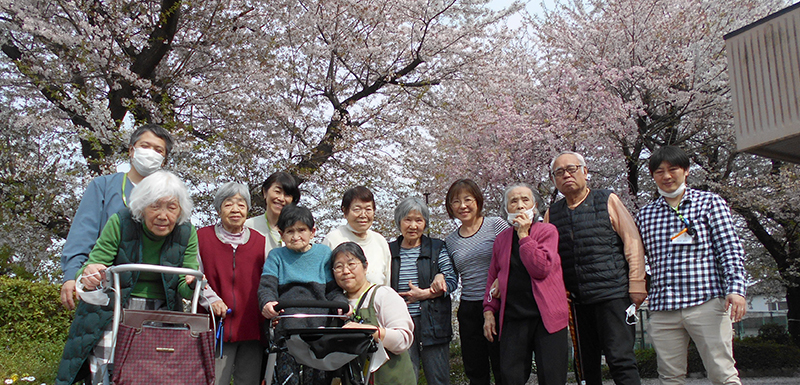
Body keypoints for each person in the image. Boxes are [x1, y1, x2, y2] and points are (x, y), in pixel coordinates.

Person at [56, 170, 199, 385]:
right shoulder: (120, 222)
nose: (163, 216)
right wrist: (90, 274)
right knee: (108, 369)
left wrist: (193, 283)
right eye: (155, 206)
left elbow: (185, 285)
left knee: (155, 372)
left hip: (163, 309)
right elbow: (94, 264)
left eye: (171, 208)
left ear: (180, 211)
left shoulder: (186, 232)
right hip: (115, 305)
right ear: (141, 207)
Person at [636, 146, 747, 385]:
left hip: (705, 301)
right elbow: (636, 259)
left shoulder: (710, 203)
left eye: (673, 169)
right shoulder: (645, 215)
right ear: (653, 175)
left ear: (686, 170)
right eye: (659, 171)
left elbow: (730, 249)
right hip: (663, 307)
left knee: (722, 373)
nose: (666, 176)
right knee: (669, 377)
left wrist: (736, 290)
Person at [545, 151, 646, 385]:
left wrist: (637, 283)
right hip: (576, 301)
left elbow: (632, 242)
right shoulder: (552, 213)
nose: (566, 175)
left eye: (572, 169)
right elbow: (550, 258)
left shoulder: (607, 200)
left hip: (612, 294)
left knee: (620, 359)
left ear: (585, 172)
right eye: (559, 172)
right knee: (584, 365)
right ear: (554, 180)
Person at [60, 124, 175, 310]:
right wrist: (72, 275)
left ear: (163, 160)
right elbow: (82, 234)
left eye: (158, 150)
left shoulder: (172, 196)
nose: (150, 153)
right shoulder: (103, 186)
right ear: (131, 150)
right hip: (105, 289)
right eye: (145, 146)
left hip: (155, 297)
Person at [483, 183, 569, 385]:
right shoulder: (502, 239)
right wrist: (488, 311)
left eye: (525, 200)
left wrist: (524, 236)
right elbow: (493, 276)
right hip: (514, 318)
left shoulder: (547, 231)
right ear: (506, 209)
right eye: (513, 201)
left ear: (535, 205)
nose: (520, 205)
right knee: (510, 377)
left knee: (552, 378)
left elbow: (540, 268)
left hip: (547, 318)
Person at [258, 204, 346, 385]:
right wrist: (267, 302)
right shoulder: (276, 256)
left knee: (318, 378)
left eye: (301, 230)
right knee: (287, 379)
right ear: (281, 234)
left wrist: (341, 304)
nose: (296, 236)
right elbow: (267, 286)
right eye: (290, 231)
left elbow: (332, 290)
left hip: (319, 329)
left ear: (312, 232)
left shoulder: (324, 254)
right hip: (287, 328)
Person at [197, 182, 267, 385]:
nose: (235, 209)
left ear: (248, 210)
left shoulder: (260, 241)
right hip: (215, 327)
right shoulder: (202, 237)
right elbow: (195, 276)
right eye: (228, 204)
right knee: (214, 381)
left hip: (251, 327)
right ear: (219, 210)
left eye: (241, 205)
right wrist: (211, 300)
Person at [444, 179, 508, 385]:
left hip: (499, 303)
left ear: (478, 201)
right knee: (475, 370)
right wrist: (439, 278)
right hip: (469, 308)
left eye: (467, 200)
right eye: (456, 202)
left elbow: (513, 256)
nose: (462, 206)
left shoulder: (495, 224)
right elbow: (450, 276)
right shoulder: (450, 241)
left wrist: (501, 278)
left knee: (504, 367)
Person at [389, 197, 458, 385]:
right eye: (407, 220)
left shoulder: (437, 247)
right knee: (405, 379)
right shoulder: (389, 251)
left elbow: (451, 281)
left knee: (438, 379)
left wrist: (426, 293)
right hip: (399, 324)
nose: (413, 226)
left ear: (425, 223)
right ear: (399, 221)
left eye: (419, 220)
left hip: (433, 324)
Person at [332, 242, 416, 385]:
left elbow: (403, 340)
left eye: (351, 264)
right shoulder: (337, 306)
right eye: (339, 267)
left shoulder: (383, 295)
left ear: (365, 267)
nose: (345, 271)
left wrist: (369, 331)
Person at [322, 186, 391, 286]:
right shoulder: (333, 239)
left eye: (368, 209)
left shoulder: (380, 241)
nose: (363, 215)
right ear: (345, 212)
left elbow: (387, 281)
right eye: (357, 209)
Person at [244, 171, 301, 251]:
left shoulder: (301, 229)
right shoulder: (248, 226)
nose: (281, 198)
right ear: (265, 192)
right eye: (277, 192)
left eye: (287, 195)